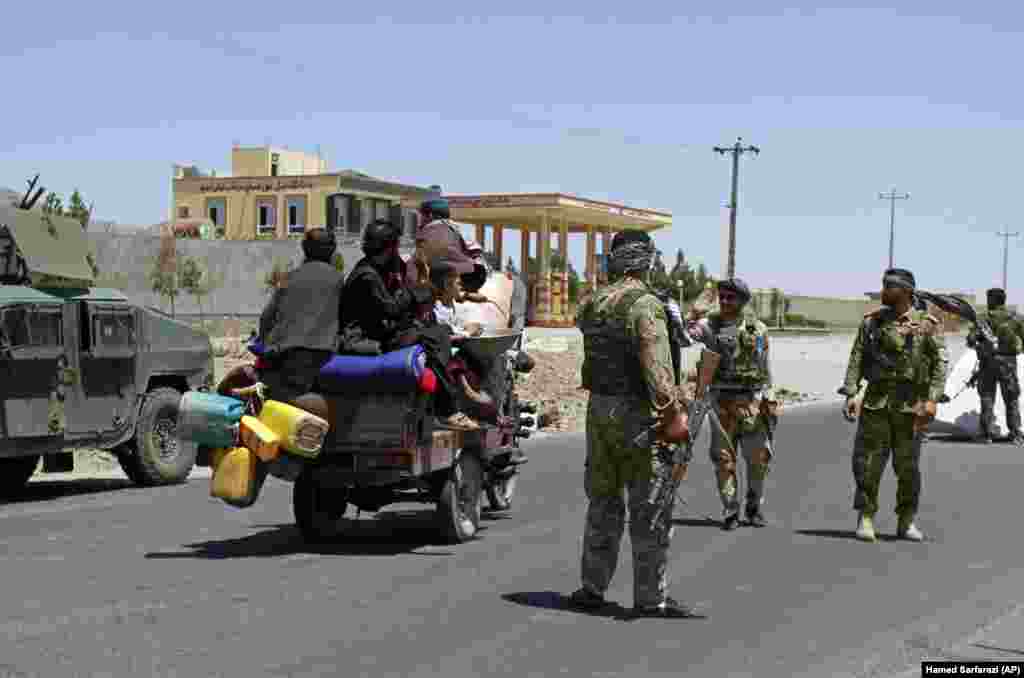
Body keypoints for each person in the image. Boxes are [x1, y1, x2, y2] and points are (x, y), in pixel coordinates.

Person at [570, 228, 697, 618]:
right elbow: (657, 369)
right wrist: (674, 413)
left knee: (604, 502)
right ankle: (650, 598)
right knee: (651, 507)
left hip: (599, 413)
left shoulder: (591, 304)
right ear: (647, 261)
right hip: (639, 417)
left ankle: (592, 587)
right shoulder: (646, 305)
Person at [839, 268, 948, 543]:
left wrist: (933, 399)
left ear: (906, 291)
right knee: (867, 465)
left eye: (890, 286)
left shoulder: (928, 324)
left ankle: (906, 520)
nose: (884, 290)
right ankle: (865, 517)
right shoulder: (872, 322)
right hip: (877, 402)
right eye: (884, 285)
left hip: (912, 406)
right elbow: (857, 357)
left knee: (908, 468)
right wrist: (851, 393)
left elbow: (939, 364)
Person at [687, 278, 780, 530]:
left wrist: (768, 397)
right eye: (723, 297)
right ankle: (730, 508)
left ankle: (754, 505)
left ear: (742, 301)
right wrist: (694, 313)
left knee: (759, 459)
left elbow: (764, 365)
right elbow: (686, 335)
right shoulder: (710, 325)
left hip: (751, 401)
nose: (726, 302)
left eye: (731, 298)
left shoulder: (758, 329)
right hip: (721, 403)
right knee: (724, 459)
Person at [258, 227, 346, 404]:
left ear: (304, 248)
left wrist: (266, 345)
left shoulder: (288, 278)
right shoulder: (338, 280)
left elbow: (266, 318)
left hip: (285, 356)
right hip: (322, 356)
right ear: (332, 251)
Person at [339, 219, 433, 355]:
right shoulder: (366, 275)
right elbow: (391, 309)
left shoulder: (389, 266)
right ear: (390, 247)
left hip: (384, 333)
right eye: (397, 245)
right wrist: (419, 286)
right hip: (362, 339)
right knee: (427, 337)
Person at [969, 287, 1024, 444]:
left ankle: (986, 434)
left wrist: (980, 343)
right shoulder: (1015, 318)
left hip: (988, 362)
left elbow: (971, 340)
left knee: (987, 397)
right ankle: (1016, 434)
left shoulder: (983, 318)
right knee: (1011, 397)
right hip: (1008, 363)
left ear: (991, 300)